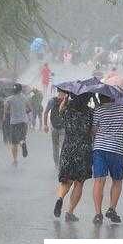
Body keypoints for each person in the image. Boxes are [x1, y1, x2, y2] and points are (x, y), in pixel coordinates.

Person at [91, 95, 123, 225]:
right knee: (117, 181)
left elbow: (93, 130)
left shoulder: (98, 110)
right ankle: (112, 208)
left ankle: (98, 214)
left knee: (99, 181)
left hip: (100, 149)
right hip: (116, 150)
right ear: (113, 97)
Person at [53, 93, 94, 221]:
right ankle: (69, 212)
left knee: (66, 180)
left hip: (68, 149)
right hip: (83, 150)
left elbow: (60, 111)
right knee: (79, 182)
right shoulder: (90, 113)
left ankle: (60, 198)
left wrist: (65, 100)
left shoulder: (68, 111)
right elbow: (93, 131)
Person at [4, 83, 31, 167]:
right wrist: (24, 112)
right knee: (22, 137)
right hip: (23, 122)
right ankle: (22, 142)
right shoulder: (25, 98)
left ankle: (15, 160)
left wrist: (7, 113)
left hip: (14, 122)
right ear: (21, 90)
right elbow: (30, 109)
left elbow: (5, 106)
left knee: (14, 143)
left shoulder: (10, 99)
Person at [43, 88, 67, 169]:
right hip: (63, 127)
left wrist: (45, 125)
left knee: (56, 146)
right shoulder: (67, 101)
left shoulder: (52, 101)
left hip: (54, 126)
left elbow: (46, 112)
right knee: (62, 145)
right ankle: (60, 164)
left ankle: (57, 164)